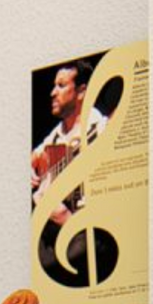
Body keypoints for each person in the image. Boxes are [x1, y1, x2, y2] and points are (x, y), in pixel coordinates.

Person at [31, 58, 109, 224]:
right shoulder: (56, 135)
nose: (53, 92)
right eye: (54, 86)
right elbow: (35, 156)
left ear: (81, 92)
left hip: (87, 228)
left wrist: (66, 219)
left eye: (61, 85)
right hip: (51, 230)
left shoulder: (102, 129)